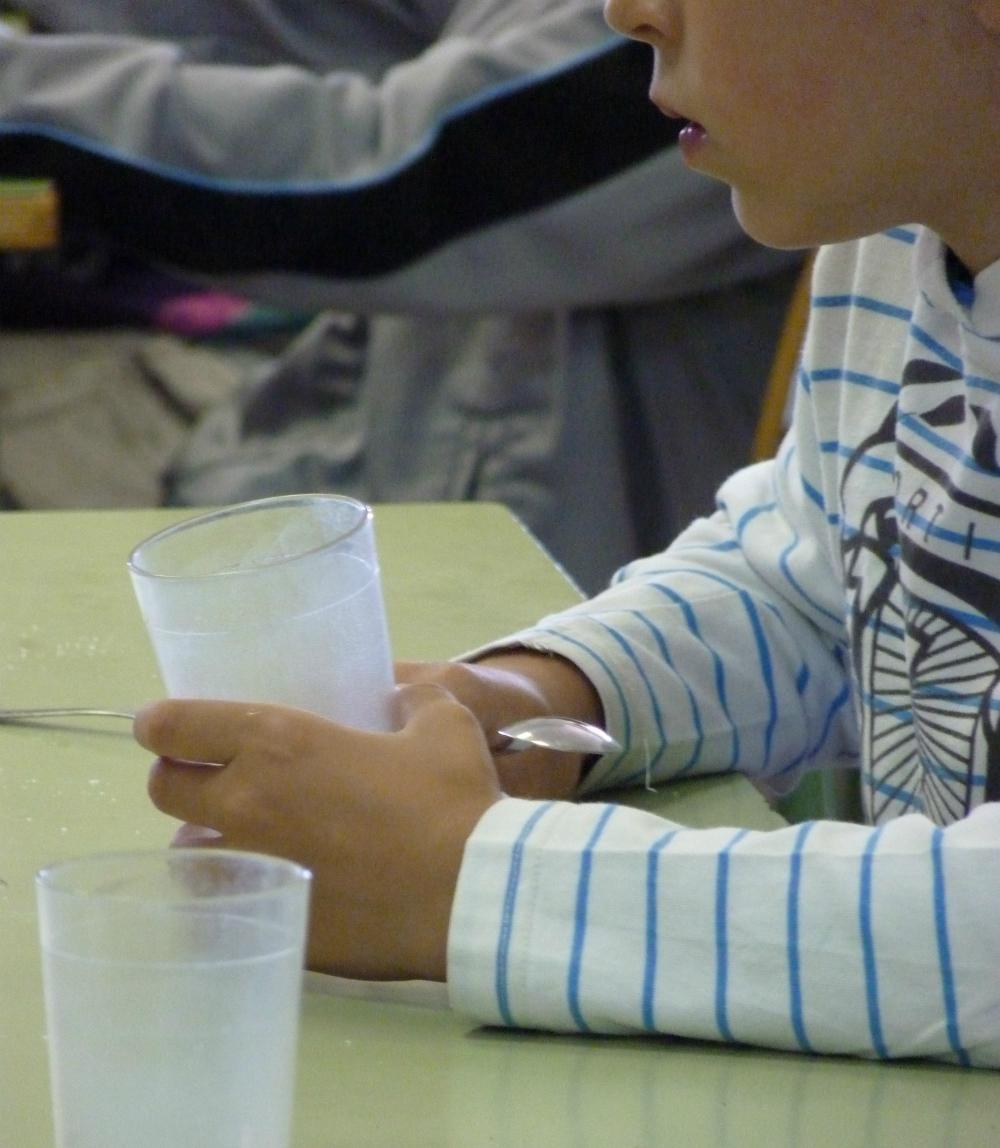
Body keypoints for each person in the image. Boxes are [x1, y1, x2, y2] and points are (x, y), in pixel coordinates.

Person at [129, 0, 998, 1069]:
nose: (625, 10)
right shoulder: (898, 230)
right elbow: (814, 581)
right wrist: (541, 699)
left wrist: (470, 878)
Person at [0, 1, 801, 591]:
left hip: (528, 595)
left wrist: (25, 95)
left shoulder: (735, 46)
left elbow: (382, 188)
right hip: (346, 470)